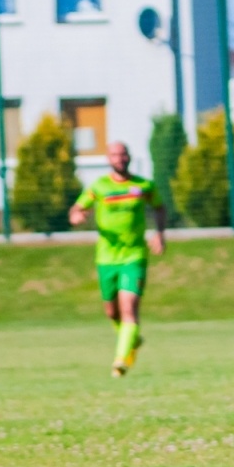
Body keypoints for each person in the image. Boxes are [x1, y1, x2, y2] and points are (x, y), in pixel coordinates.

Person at [68, 141, 165, 378]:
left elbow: (159, 207)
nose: (119, 159)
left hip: (134, 256)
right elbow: (77, 208)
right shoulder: (99, 186)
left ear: (129, 157)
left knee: (128, 308)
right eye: (114, 155)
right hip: (106, 258)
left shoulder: (143, 186)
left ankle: (121, 361)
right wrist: (77, 216)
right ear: (108, 159)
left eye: (123, 154)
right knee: (112, 312)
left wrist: (159, 233)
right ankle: (132, 339)